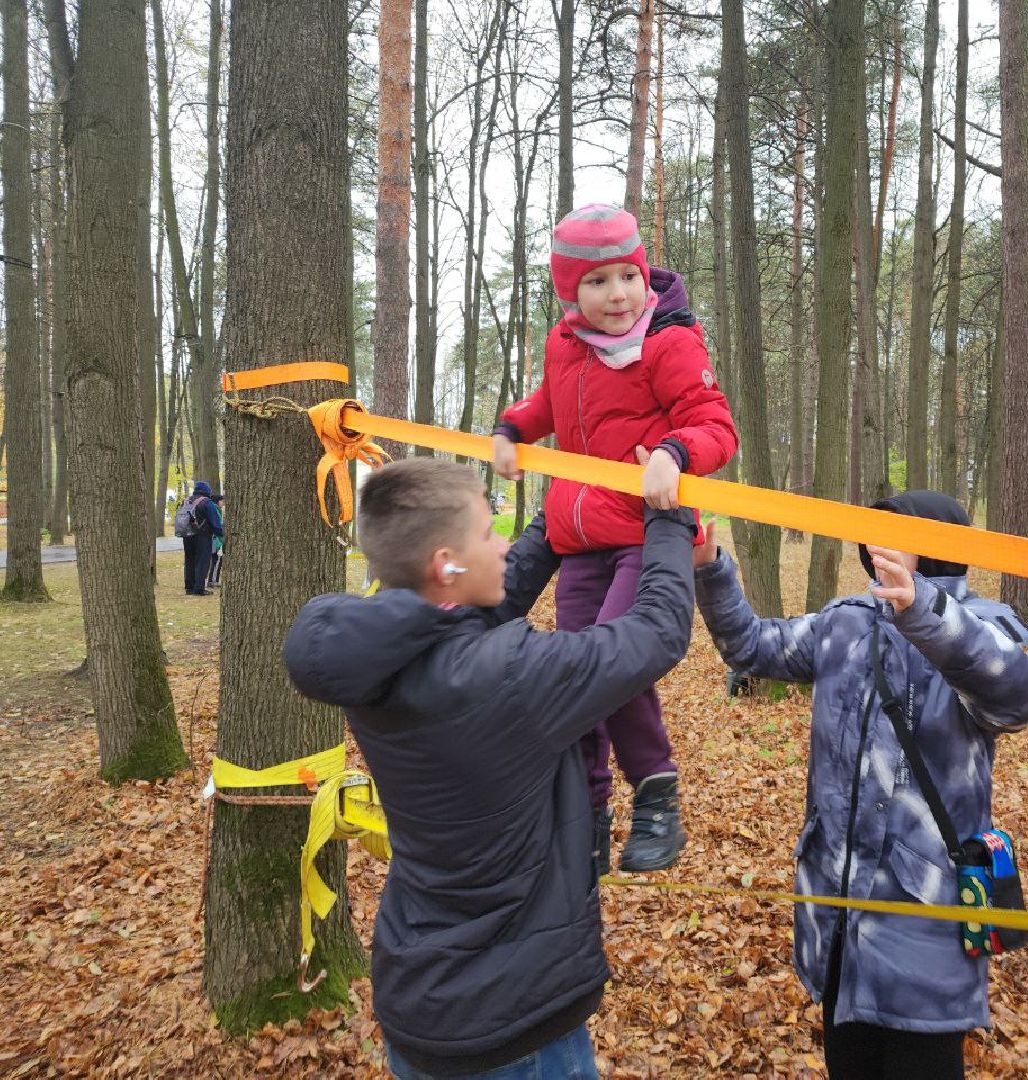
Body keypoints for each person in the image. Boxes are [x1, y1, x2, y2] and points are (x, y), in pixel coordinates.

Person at [283, 456, 697, 1079]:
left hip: (420, 1003)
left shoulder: (375, 663)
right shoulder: (511, 678)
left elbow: (471, 611)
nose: (502, 544)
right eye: (487, 533)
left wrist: (560, 511)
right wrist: (669, 516)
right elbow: (657, 631)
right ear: (445, 564)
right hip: (512, 1034)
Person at [691, 492, 1028, 1080]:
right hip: (838, 918)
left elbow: (1023, 698)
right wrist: (710, 569)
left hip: (925, 920)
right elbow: (749, 646)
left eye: (897, 531)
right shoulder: (845, 622)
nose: (878, 540)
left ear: (937, 547)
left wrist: (924, 613)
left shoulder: (977, 629)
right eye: (874, 528)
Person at [492, 202, 737, 874]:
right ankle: (587, 809)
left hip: (642, 536)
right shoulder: (565, 344)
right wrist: (511, 429)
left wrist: (675, 453)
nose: (618, 294)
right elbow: (549, 404)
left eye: (627, 276)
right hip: (579, 540)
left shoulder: (668, 342)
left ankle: (655, 789)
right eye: (597, 282)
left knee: (615, 660)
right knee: (574, 676)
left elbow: (715, 424)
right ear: (570, 292)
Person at [176, 480, 223, 596]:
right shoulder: (207, 503)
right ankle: (199, 589)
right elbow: (215, 522)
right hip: (203, 536)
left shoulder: (186, 501)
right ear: (207, 491)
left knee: (189, 560)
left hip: (187, 535)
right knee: (202, 561)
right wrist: (221, 533)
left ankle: (189, 587)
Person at [206, 495, 225, 589]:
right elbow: (218, 526)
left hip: (213, 539)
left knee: (214, 560)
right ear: (218, 501)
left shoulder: (213, 509)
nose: (223, 503)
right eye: (222, 501)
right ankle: (213, 580)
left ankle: (211, 580)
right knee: (217, 560)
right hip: (216, 539)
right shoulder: (216, 510)